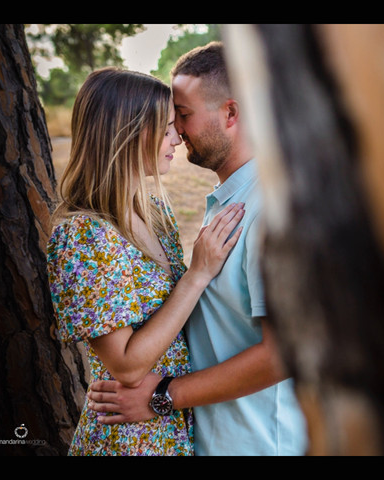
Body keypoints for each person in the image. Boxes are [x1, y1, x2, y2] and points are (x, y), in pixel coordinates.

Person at [87, 42, 309, 455]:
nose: (175, 131)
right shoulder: (230, 201)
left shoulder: (271, 211)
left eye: (182, 116)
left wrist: (166, 395)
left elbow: (284, 353)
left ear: (231, 112)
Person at [46, 66, 245, 456]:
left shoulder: (156, 212)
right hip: (128, 440)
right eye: (167, 126)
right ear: (130, 131)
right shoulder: (83, 235)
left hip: (171, 427)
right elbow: (126, 366)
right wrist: (197, 274)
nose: (178, 137)